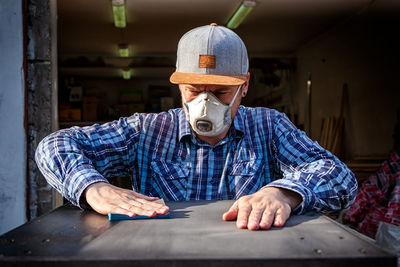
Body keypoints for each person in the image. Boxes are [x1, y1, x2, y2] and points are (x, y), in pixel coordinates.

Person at [35, 23, 357, 231]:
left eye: (219, 92)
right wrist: (94, 188)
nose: (205, 104)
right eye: (193, 90)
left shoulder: (268, 127)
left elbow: (339, 176)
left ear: (245, 85)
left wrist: (283, 193)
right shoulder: (146, 132)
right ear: (179, 86)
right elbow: (54, 145)